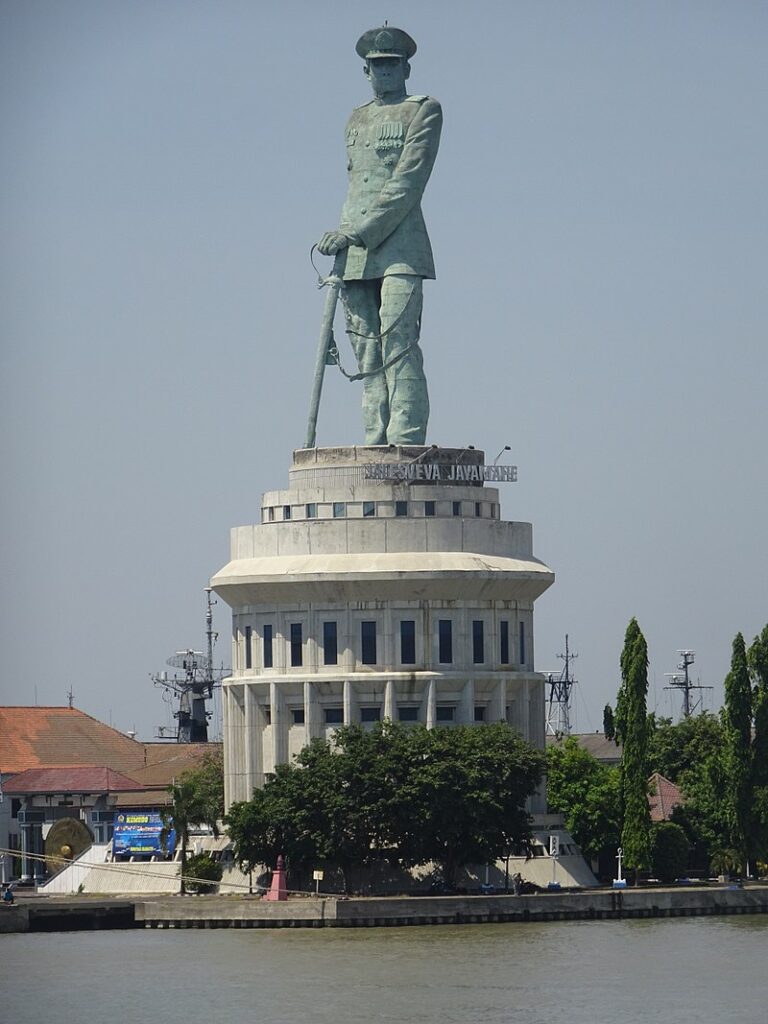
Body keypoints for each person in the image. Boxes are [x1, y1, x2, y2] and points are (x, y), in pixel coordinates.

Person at [317, 26, 442, 446]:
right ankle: (374, 438)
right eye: (376, 66)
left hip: (401, 246)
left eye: (391, 65)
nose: (384, 73)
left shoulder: (423, 110)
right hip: (351, 252)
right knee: (365, 349)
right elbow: (359, 184)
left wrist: (356, 231)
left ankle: (405, 440)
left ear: (406, 67)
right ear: (365, 70)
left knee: (398, 343)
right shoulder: (356, 117)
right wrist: (343, 235)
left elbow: (408, 181)